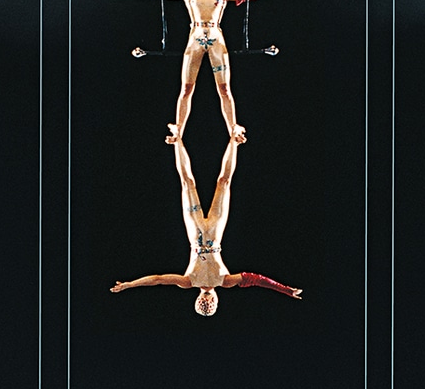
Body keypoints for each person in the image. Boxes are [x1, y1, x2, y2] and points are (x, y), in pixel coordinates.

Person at [109, 0, 303, 142]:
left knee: (224, 89)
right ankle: (178, 129)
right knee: (186, 88)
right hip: (195, 39)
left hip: (216, 39)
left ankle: (233, 128)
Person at [109, 133, 301, 316]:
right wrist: (285, 289)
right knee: (208, 182)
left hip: (203, 230)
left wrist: (130, 284)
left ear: (208, 300)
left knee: (201, 182)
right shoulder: (220, 281)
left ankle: (182, 141)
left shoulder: (192, 282)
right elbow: (257, 279)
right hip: (206, 229)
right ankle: (226, 142)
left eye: (206, 302)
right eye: (209, 303)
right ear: (214, 300)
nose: (208, 299)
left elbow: (157, 279)